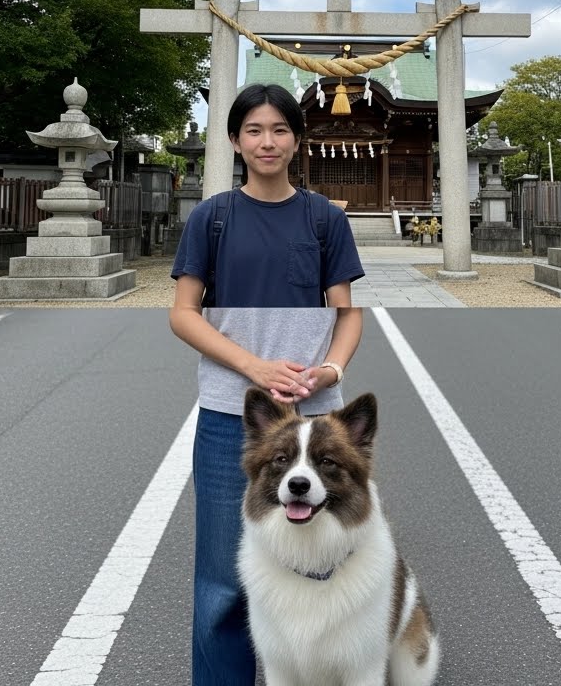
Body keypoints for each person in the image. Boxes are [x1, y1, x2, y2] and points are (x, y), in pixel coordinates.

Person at [171, 305, 362, 684]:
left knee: (330, 579)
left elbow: (348, 312)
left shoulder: (330, 239)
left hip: (320, 414)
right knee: (223, 586)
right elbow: (182, 312)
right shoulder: (211, 238)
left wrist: (331, 371)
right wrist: (253, 367)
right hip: (230, 409)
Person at [171, 83, 364, 308]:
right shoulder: (208, 217)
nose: (268, 143)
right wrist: (233, 347)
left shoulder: (328, 218)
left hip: (303, 344)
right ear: (235, 141)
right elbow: (184, 313)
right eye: (254, 131)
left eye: (280, 130)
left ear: (297, 141)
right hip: (223, 343)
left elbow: (342, 314)